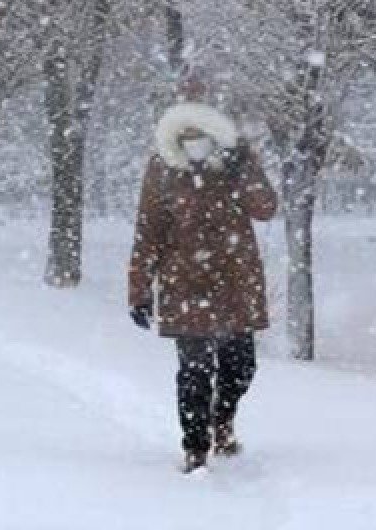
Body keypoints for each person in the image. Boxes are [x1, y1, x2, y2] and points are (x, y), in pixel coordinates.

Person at [128, 76, 277, 473]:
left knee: (241, 366)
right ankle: (195, 448)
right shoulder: (162, 168)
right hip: (185, 284)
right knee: (194, 372)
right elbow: (149, 231)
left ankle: (222, 420)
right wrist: (139, 289)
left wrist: (240, 168)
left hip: (236, 282)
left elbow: (265, 207)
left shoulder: (236, 159)